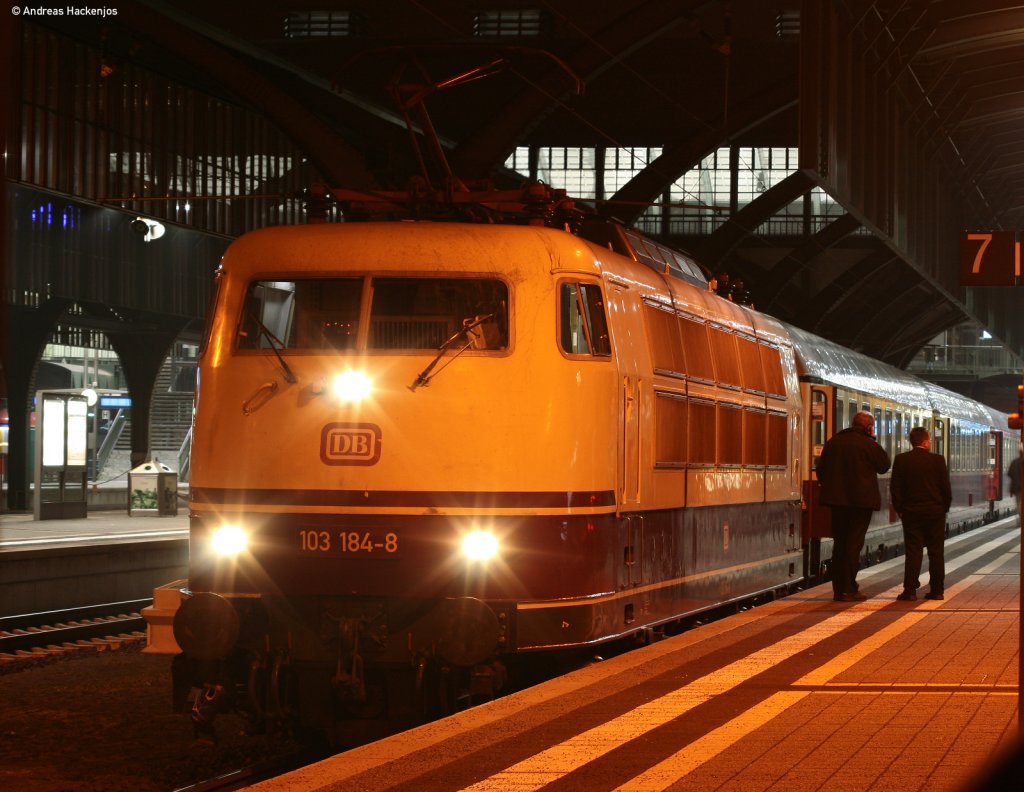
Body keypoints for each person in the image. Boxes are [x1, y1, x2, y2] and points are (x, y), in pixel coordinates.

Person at [815, 410, 891, 602]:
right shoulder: (868, 444)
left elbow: (821, 471)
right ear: (869, 427)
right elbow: (884, 465)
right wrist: (873, 439)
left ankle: (838, 589)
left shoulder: (833, 443)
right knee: (853, 545)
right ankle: (849, 588)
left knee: (840, 544)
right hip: (860, 504)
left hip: (837, 503)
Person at [890, 426, 952, 601]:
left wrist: (900, 509)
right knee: (936, 552)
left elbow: (895, 488)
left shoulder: (902, 460)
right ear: (925, 442)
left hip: (911, 513)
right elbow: (946, 489)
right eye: (930, 440)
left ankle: (910, 591)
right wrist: (943, 509)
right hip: (935, 513)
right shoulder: (938, 460)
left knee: (913, 551)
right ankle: (937, 590)